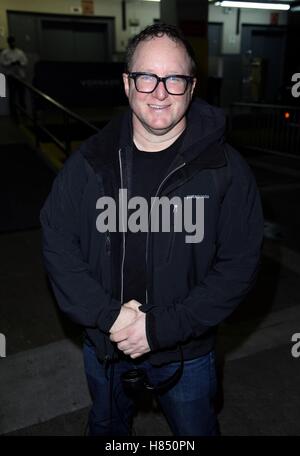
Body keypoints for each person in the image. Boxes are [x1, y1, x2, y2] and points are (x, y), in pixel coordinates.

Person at [40, 23, 264, 436]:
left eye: (174, 78)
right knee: (107, 431)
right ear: (127, 84)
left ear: (192, 86)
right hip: (105, 346)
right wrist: (108, 318)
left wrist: (160, 329)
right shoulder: (89, 163)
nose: (160, 92)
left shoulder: (227, 170)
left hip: (187, 350)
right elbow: (57, 243)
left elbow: (239, 266)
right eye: (147, 77)